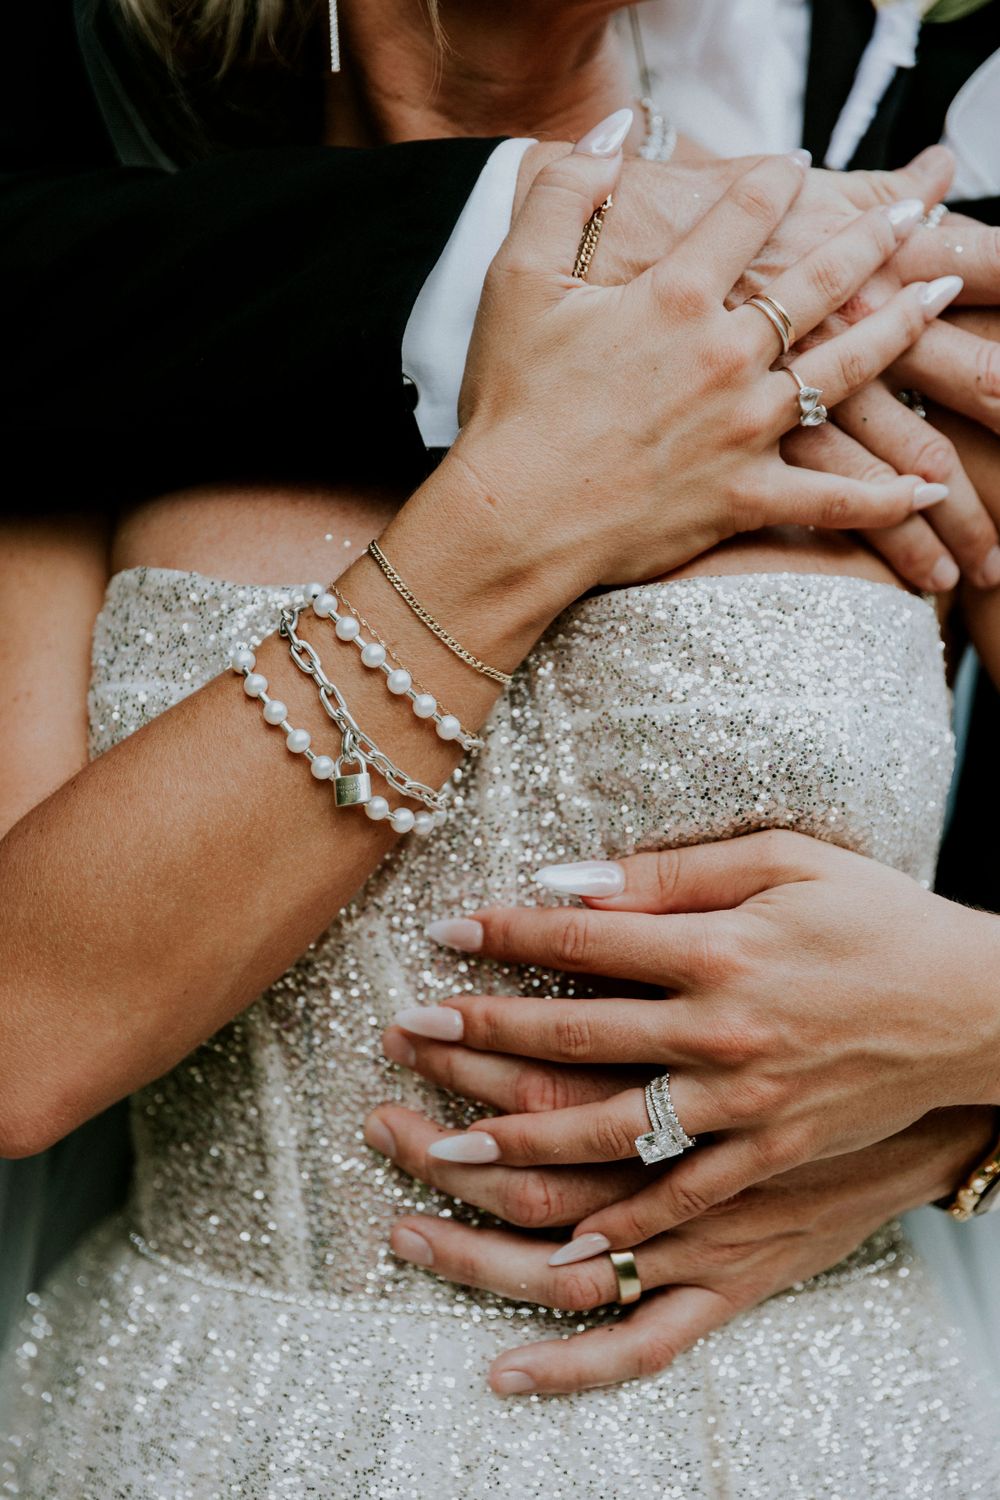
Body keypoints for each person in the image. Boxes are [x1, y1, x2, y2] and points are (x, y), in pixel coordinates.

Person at [2, 6, 999, 1499]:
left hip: (816, 1432)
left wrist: (971, 1046)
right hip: (219, 1429)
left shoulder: (885, 304)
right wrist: (533, 511)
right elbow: (22, 1037)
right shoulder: (104, 320)